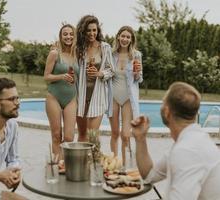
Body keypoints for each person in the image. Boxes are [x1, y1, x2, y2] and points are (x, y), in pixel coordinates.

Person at [131, 82, 220, 200]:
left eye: (163, 103)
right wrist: (140, 139)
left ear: (167, 112)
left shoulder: (187, 150)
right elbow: (149, 176)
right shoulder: (190, 141)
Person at [76, 15, 114, 141]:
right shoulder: (79, 48)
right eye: (88, 30)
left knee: (92, 136)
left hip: (97, 96)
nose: (92, 33)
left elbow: (111, 70)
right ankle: (80, 160)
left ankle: (93, 160)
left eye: (94, 30)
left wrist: (100, 73)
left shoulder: (105, 47)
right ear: (83, 31)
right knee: (82, 135)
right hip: (80, 96)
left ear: (98, 31)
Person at [44, 24, 78, 157]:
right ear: (61, 36)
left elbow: (79, 76)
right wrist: (61, 76)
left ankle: (63, 161)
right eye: (65, 34)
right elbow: (46, 77)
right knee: (56, 135)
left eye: (71, 34)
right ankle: (58, 164)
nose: (68, 36)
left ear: (74, 36)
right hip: (54, 97)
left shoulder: (77, 55)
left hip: (71, 98)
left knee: (69, 137)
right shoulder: (54, 54)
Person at [109, 26, 143, 158]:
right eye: (123, 36)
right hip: (113, 97)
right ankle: (114, 162)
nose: (125, 39)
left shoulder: (136, 55)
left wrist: (137, 72)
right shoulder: (111, 54)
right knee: (115, 133)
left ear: (131, 39)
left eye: (128, 37)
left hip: (128, 98)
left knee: (126, 135)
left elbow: (139, 79)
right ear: (118, 37)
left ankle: (124, 164)